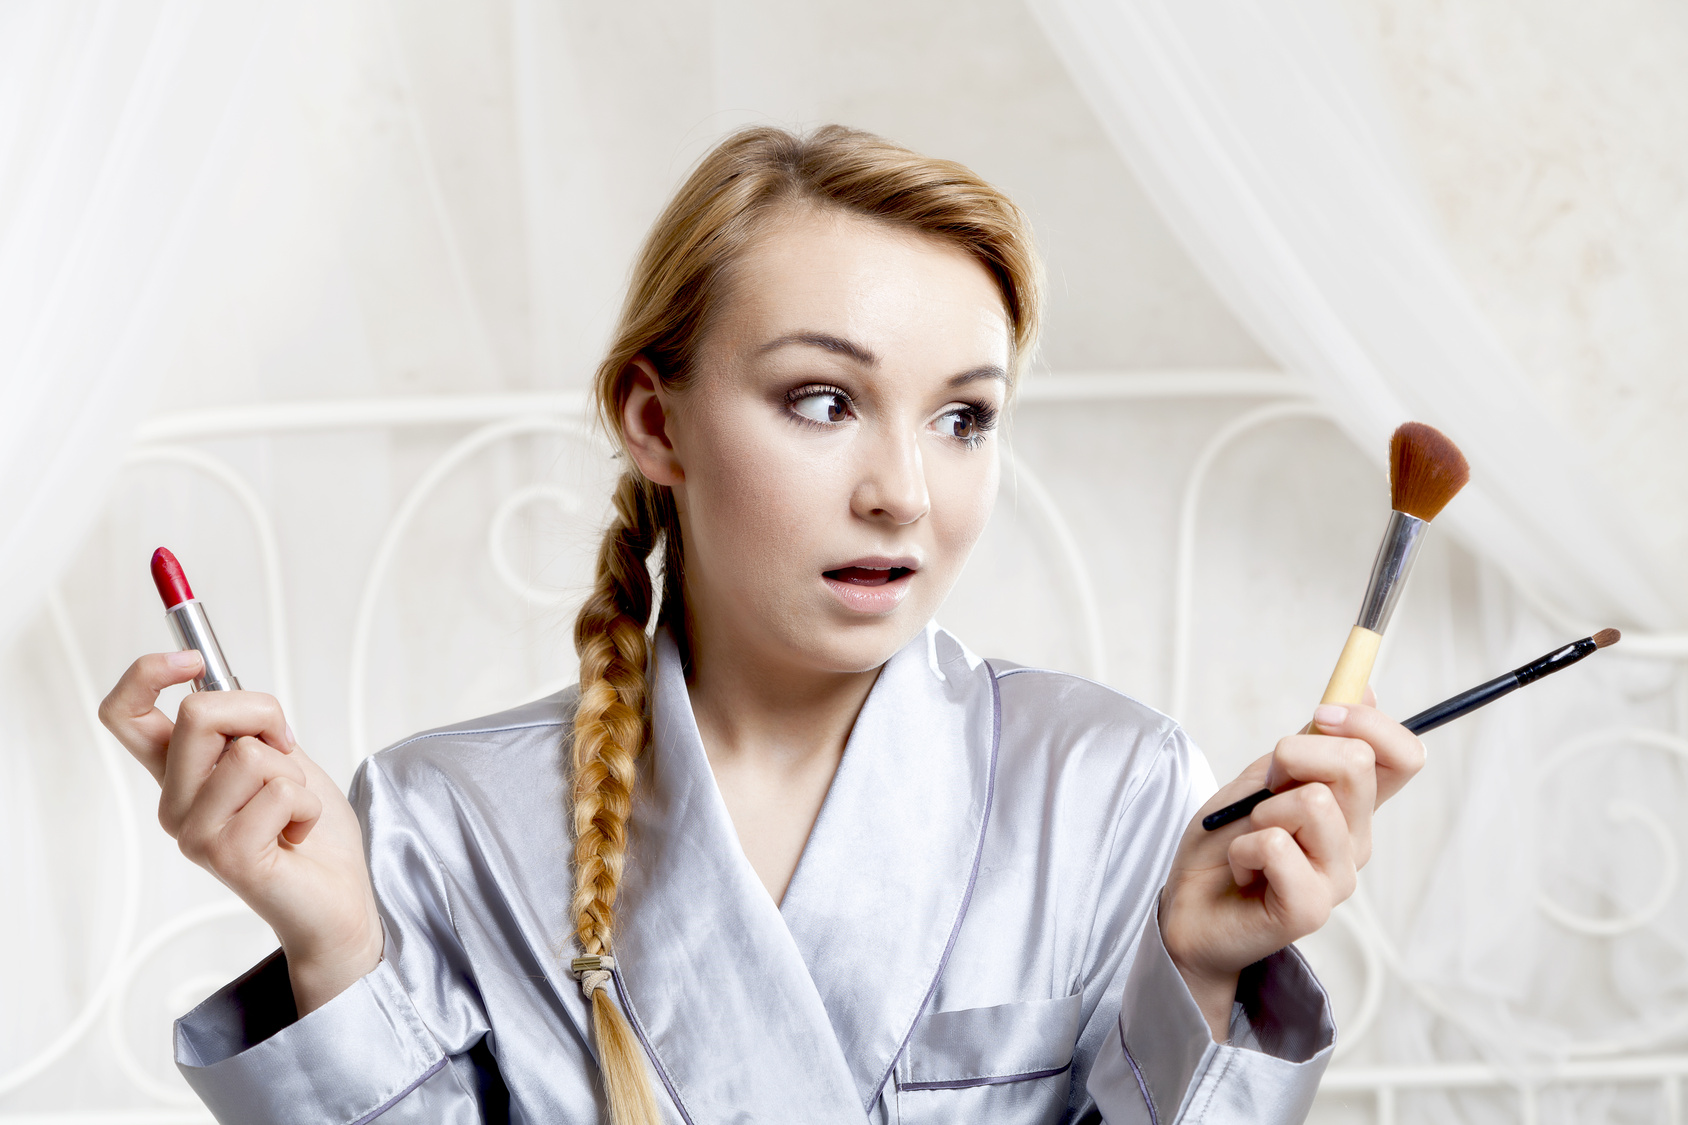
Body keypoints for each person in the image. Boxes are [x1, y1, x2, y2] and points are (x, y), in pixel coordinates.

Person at [99, 125, 1423, 1124]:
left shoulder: (1115, 783)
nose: (903, 491)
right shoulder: (439, 819)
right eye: (821, 401)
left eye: (963, 417)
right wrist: (333, 945)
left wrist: (1192, 971)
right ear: (655, 418)